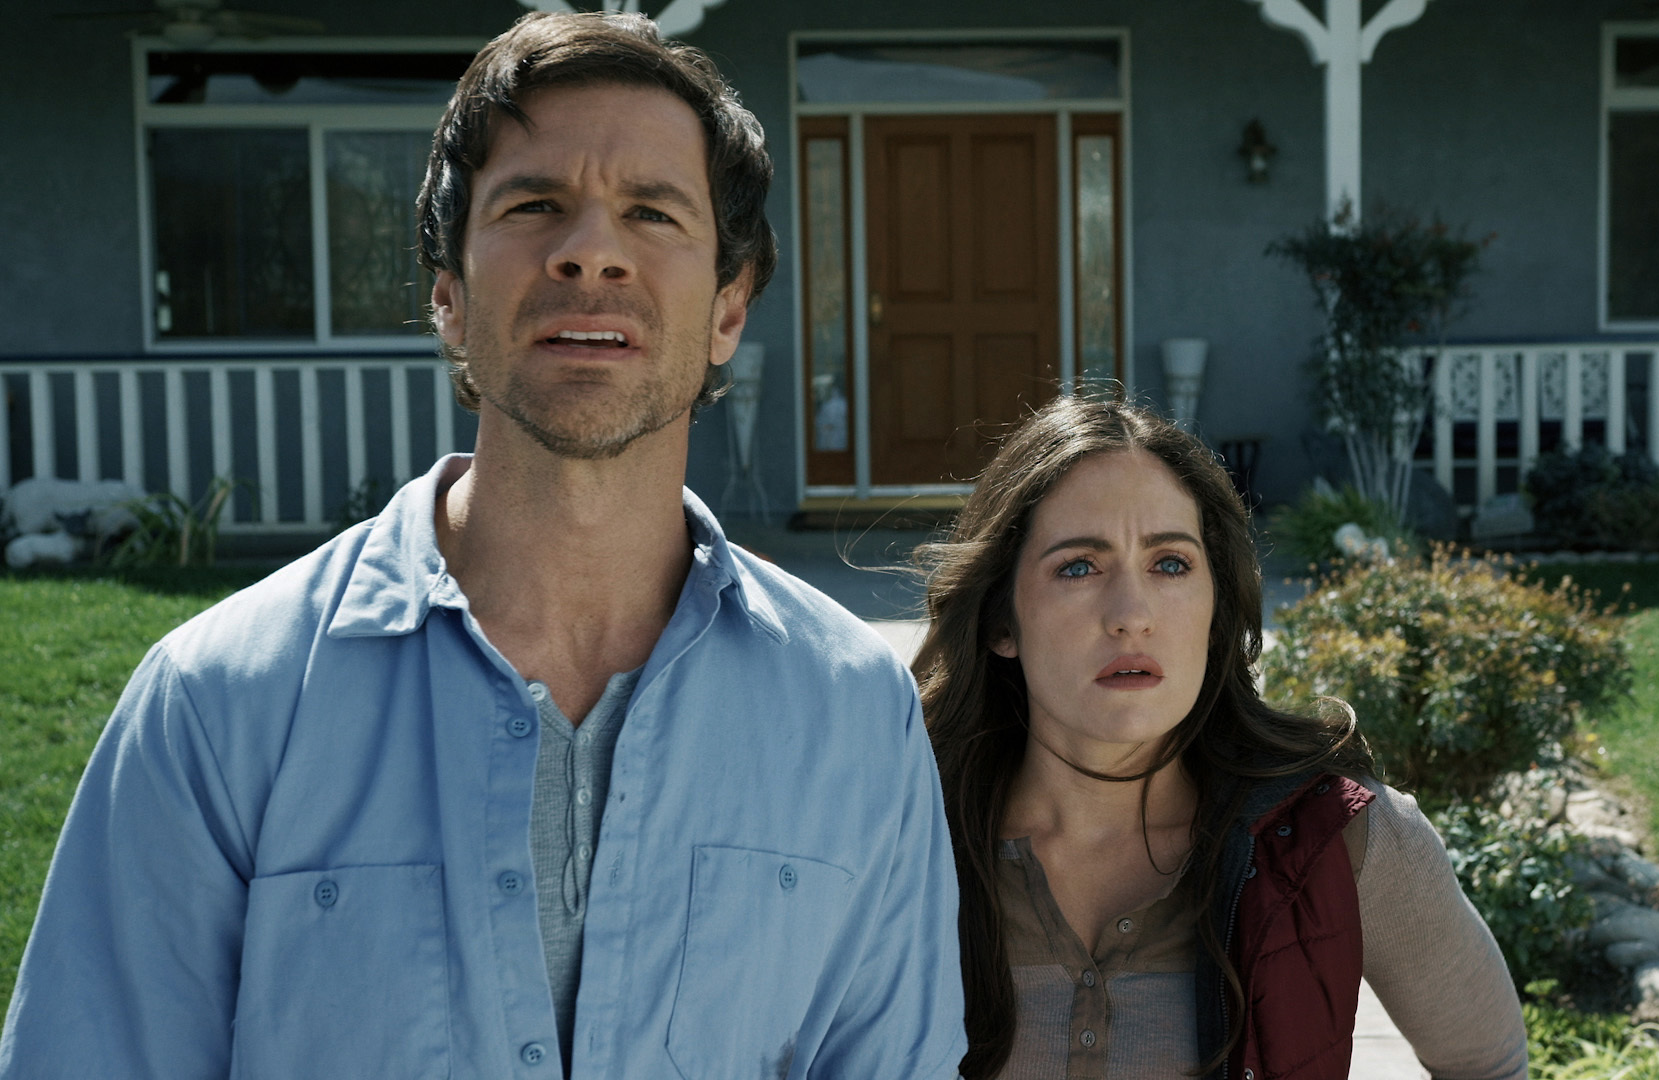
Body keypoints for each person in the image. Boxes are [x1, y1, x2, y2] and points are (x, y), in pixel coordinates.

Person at [0, 13, 964, 1079]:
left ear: (729, 310)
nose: (590, 250)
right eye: (533, 204)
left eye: (651, 212)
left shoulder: (851, 715)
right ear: (449, 295)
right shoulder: (220, 704)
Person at [914, 396, 1527, 1080]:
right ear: (1001, 620)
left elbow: (1489, 1063)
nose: (1131, 615)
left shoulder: (1338, 836)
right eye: (1079, 566)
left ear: (1215, 610)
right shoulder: (903, 840)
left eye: (1170, 564)